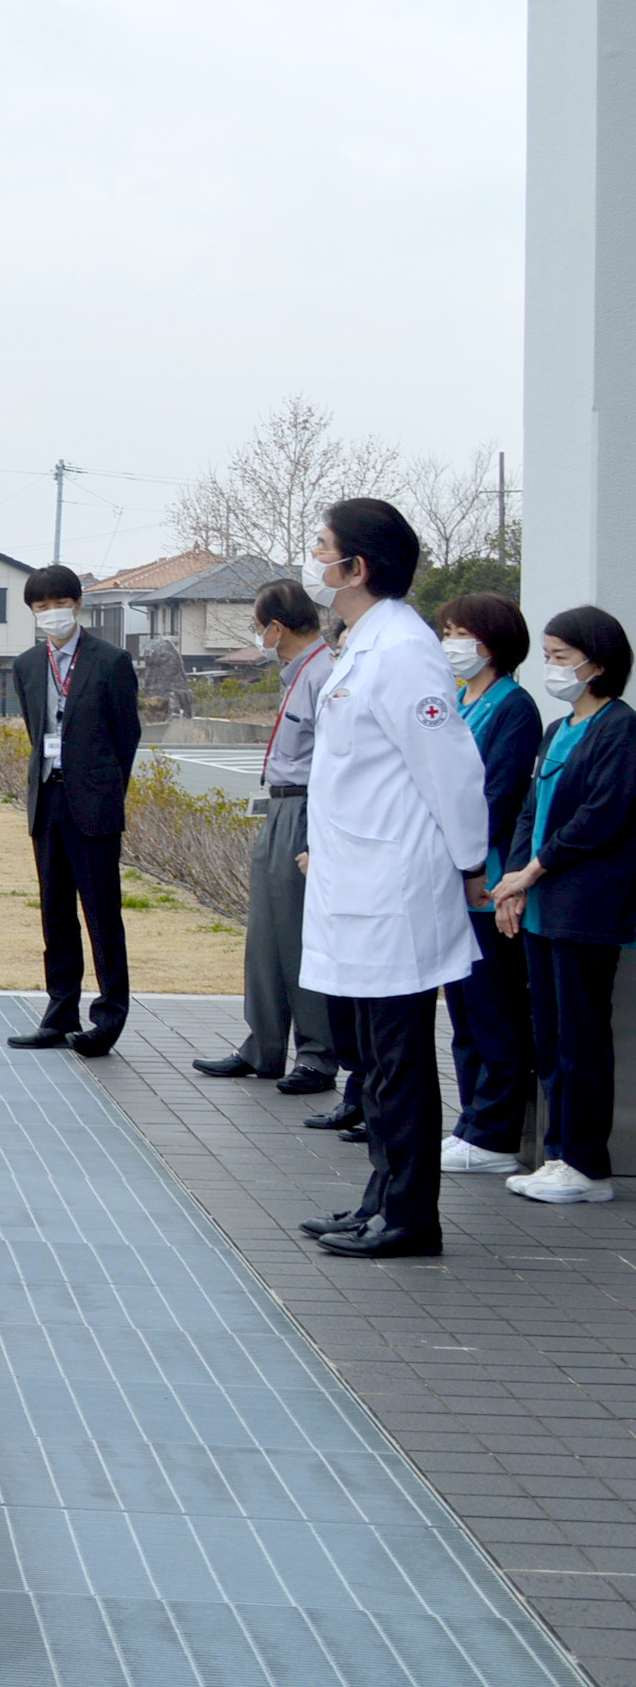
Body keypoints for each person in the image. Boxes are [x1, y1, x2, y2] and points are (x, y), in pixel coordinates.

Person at [286, 500, 489, 1260]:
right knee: (373, 1058)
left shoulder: (403, 650)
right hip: (359, 883)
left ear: (357, 568)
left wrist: (472, 864)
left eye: (323, 548)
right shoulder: (363, 643)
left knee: (399, 1058)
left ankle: (410, 1216)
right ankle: (379, 1197)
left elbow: (452, 771)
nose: (314, 558)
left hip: (396, 886)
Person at [490, 605, 636, 1206]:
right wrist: (516, 884)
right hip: (543, 908)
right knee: (548, 1036)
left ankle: (585, 1164)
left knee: (581, 1038)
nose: (550, 667)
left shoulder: (620, 728)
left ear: (597, 664)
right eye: (547, 656)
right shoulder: (558, 729)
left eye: (560, 657)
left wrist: (532, 870)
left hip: (585, 909)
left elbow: (599, 817)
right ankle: (556, 1155)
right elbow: (529, 809)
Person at [192, 579, 337, 1092]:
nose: (258, 636)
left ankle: (317, 1055)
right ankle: (264, 1045)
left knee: (300, 935)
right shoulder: (295, 673)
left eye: (258, 626)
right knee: (267, 935)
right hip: (280, 806)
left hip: (305, 809)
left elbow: (335, 763)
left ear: (277, 626)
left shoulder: (325, 674)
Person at [4, 565, 143, 1056]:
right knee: (55, 911)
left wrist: (106, 786)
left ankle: (107, 1018)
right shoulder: (26, 665)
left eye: (57, 604)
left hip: (95, 802)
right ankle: (59, 1012)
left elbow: (127, 734)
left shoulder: (110, 661)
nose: (50, 614)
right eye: (40, 608)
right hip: (49, 799)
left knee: (103, 914)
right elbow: (35, 727)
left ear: (77, 605)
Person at [435, 592, 544, 1175]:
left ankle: (497, 1132)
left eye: (462, 633)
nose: (451, 642)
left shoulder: (513, 706)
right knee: (464, 1013)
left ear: (493, 643)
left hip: (485, 878)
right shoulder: (456, 697)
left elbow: (497, 795)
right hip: (452, 876)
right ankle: (471, 1119)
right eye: (447, 630)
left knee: (495, 1008)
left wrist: (474, 863)